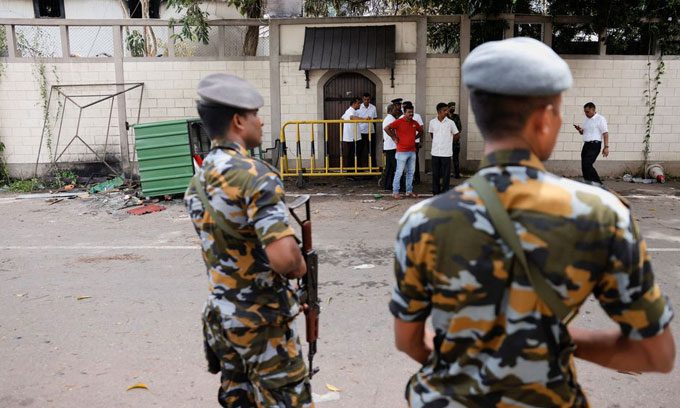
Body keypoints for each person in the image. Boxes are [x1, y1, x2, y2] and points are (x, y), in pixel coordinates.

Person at [390, 37, 674, 408]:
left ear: (481, 118)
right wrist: (554, 338)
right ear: (544, 120)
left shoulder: (421, 221)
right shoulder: (601, 215)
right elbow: (655, 353)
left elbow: (408, 341)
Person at [184, 73, 314, 407]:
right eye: (255, 113)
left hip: (223, 319)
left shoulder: (199, 180)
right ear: (238, 121)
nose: (261, 121)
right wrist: (300, 268)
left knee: (239, 399)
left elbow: (233, 250)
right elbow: (284, 259)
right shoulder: (255, 174)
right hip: (261, 324)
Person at [385, 105, 423, 199]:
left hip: (412, 151)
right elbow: (386, 128)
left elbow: (421, 131)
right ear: (404, 113)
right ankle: (395, 192)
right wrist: (394, 137)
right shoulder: (399, 121)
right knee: (399, 172)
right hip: (401, 152)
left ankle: (409, 191)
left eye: (412, 112)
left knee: (410, 172)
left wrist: (414, 138)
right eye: (409, 112)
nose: (411, 114)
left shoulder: (414, 122)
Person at [574, 102, 609, 184]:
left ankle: (598, 184)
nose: (586, 114)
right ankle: (588, 183)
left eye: (587, 112)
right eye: (585, 112)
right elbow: (583, 132)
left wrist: (606, 147)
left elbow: (605, 133)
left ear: (593, 110)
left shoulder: (600, 119)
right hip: (586, 145)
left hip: (595, 145)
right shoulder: (586, 120)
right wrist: (580, 130)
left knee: (587, 164)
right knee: (584, 165)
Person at [428, 102, 459, 195]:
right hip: (435, 152)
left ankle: (445, 191)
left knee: (446, 175)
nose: (447, 112)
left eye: (447, 110)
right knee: (435, 174)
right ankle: (436, 191)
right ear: (439, 111)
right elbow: (432, 134)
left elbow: (457, 135)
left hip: (446, 153)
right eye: (444, 110)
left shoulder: (451, 123)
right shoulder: (432, 122)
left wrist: (449, 142)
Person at [400, 101, 424, 184]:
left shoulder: (417, 116)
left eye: (404, 106)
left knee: (415, 160)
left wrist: (420, 140)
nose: (402, 108)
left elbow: (421, 129)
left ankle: (417, 179)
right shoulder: (401, 117)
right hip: (404, 143)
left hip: (415, 142)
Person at [341, 97, 363, 169]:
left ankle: (356, 170)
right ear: (354, 104)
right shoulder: (350, 111)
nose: (359, 105)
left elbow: (342, 118)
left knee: (356, 153)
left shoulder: (351, 111)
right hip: (352, 137)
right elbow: (352, 117)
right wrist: (364, 119)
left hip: (354, 136)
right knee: (352, 154)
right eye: (358, 103)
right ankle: (351, 171)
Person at [358, 92, 378, 167]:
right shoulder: (359, 107)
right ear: (362, 99)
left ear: (370, 99)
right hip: (361, 132)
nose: (366, 101)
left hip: (371, 132)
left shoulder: (373, 107)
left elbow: (375, 118)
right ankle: (359, 168)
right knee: (360, 151)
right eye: (365, 99)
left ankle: (372, 167)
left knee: (372, 150)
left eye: (368, 99)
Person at [381, 103, 399, 191]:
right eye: (395, 110)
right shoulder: (391, 119)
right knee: (395, 166)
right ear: (391, 110)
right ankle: (396, 185)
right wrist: (394, 137)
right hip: (392, 146)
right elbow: (387, 130)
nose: (397, 111)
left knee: (389, 167)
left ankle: (387, 184)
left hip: (389, 146)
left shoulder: (388, 118)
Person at [447, 101, 463, 179]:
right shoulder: (445, 116)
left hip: (455, 141)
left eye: (454, 107)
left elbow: (459, 128)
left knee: (455, 158)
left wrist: (454, 135)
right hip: (446, 141)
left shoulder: (456, 116)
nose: (453, 108)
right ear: (448, 108)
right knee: (446, 158)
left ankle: (457, 174)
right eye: (452, 107)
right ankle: (445, 174)